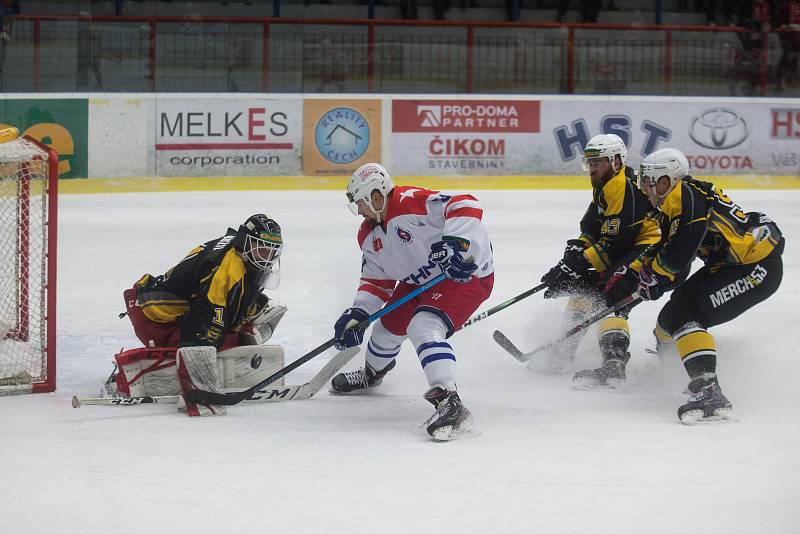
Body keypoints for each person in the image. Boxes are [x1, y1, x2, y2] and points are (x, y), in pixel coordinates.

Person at [603, 148, 785, 423]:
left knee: (686, 315)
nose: (644, 189)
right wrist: (632, 279)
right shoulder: (675, 204)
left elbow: (680, 251)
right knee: (668, 319)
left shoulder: (685, 195)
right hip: (728, 268)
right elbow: (672, 257)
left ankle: (709, 391)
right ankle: (674, 371)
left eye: (648, 181)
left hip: (755, 269)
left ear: (665, 180)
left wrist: (653, 278)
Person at [329, 163, 494, 441]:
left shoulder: (409, 202)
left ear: (377, 195)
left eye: (361, 202)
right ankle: (372, 374)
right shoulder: (368, 235)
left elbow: (466, 203)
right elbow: (376, 280)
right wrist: (359, 312)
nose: (359, 210)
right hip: (419, 280)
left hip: (464, 275)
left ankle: (450, 402)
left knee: (423, 326)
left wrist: (456, 243)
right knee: (384, 330)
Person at [118, 214, 287, 416]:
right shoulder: (226, 271)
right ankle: (152, 374)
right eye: (261, 249)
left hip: (176, 309)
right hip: (154, 317)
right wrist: (200, 389)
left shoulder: (240, 255)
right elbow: (204, 324)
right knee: (213, 337)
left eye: (271, 251)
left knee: (266, 310)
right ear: (244, 242)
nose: (267, 258)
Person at [540, 134, 662, 387]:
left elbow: (616, 241)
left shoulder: (621, 186)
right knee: (585, 291)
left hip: (648, 246)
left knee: (611, 297)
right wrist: (575, 253)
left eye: (598, 162)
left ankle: (614, 364)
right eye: (589, 163)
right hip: (630, 246)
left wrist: (576, 263)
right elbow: (593, 230)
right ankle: (564, 352)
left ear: (616, 161)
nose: (592, 168)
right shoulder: (606, 185)